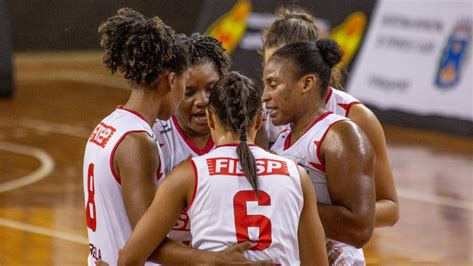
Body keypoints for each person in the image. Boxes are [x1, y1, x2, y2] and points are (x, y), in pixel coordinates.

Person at [84, 8, 257, 266]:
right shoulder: (139, 142)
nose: (201, 101)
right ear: (172, 80)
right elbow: (148, 241)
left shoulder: (108, 127)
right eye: (187, 87)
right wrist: (216, 260)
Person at [118, 72, 329, 266]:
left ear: (210, 118)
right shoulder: (296, 175)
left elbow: (130, 257)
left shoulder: (188, 174)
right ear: (258, 120)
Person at [261, 7, 399, 228]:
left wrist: (306, 214)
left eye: (282, 70)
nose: (270, 82)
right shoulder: (260, 112)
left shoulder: (356, 118)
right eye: (268, 69)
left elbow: (389, 208)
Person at [263, 39, 375, 265]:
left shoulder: (340, 135)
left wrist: (283, 201)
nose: (265, 95)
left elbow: (360, 229)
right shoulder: (282, 138)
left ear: (306, 84)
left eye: (273, 85)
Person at [152, 32, 231, 245]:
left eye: (211, 89)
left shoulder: (240, 131)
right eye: (189, 92)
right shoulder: (153, 136)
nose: (202, 101)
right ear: (172, 87)